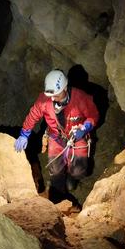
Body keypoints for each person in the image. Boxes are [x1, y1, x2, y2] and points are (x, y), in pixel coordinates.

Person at [14, 69, 99, 202]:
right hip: (56, 137)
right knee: (55, 170)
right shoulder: (44, 100)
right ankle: (59, 197)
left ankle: (72, 177)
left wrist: (86, 127)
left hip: (76, 137)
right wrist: (24, 134)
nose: (52, 98)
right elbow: (33, 116)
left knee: (78, 170)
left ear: (65, 88)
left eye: (55, 95)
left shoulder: (80, 98)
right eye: (50, 95)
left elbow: (93, 114)